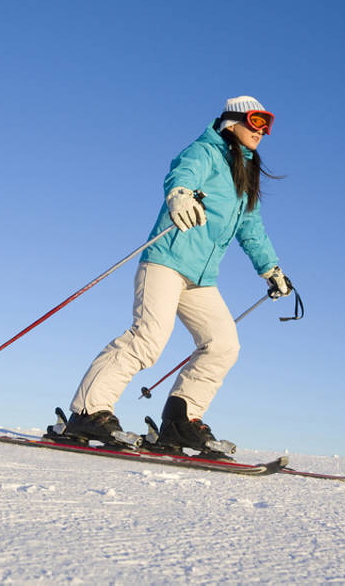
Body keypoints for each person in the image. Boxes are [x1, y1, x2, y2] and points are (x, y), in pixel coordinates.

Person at [54, 96, 293, 452]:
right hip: (166, 261)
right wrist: (179, 195)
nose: (263, 131)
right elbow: (181, 173)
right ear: (232, 122)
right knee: (149, 338)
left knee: (223, 344)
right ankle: (89, 411)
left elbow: (250, 227)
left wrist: (270, 268)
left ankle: (180, 422)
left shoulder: (244, 172)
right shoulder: (205, 151)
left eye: (268, 125)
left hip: (201, 277)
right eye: (257, 121)